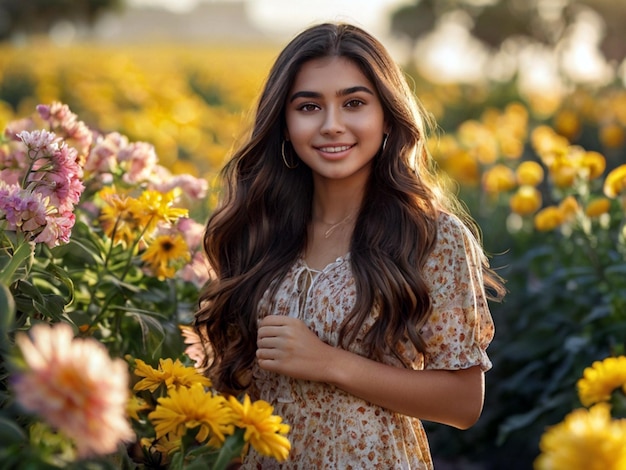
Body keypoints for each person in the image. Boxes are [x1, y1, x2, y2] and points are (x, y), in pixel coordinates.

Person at [194, 22, 506, 469]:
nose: (332, 125)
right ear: (283, 123)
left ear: (386, 117)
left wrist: (328, 362)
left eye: (354, 103)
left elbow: (462, 402)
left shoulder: (430, 236)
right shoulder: (255, 229)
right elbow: (230, 378)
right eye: (308, 107)